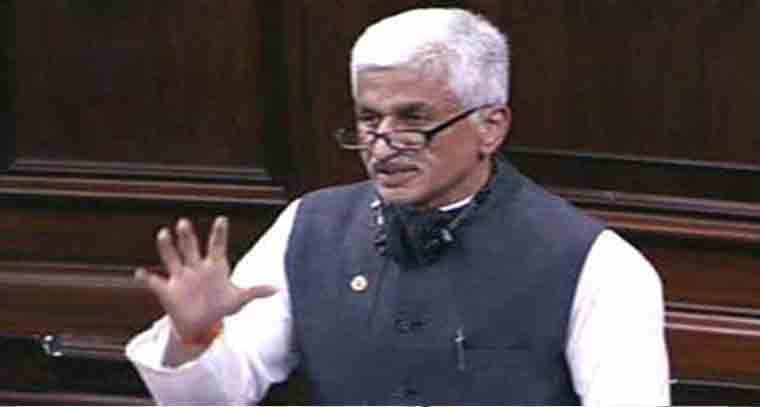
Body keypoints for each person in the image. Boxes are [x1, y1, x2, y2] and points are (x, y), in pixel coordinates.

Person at [126, 7, 670, 405]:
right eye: (369, 119)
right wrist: (194, 339)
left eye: (414, 119)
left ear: (491, 126)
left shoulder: (598, 265)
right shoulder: (309, 227)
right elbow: (217, 399)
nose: (384, 144)